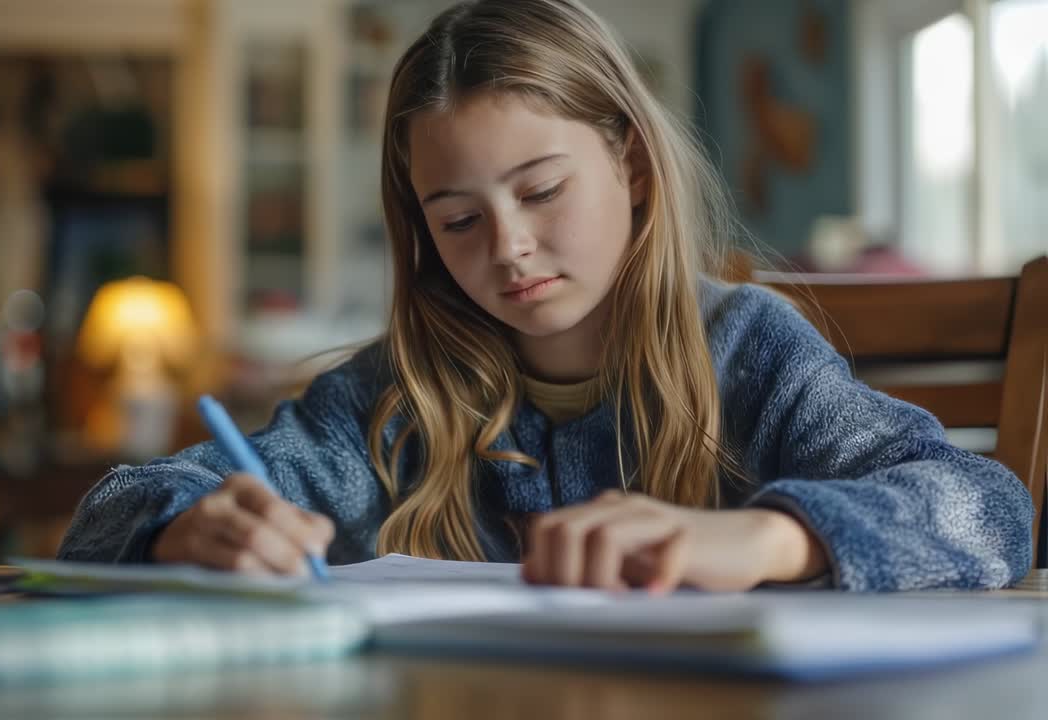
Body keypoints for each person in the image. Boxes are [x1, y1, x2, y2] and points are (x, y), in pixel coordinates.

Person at [58, 0, 1034, 592]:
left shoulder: (745, 351)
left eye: (539, 191)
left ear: (633, 167)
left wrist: (765, 536)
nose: (509, 248)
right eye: (457, 218)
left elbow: (984, 508)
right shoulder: (397, 399)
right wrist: (187, 524)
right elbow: (115, 508)